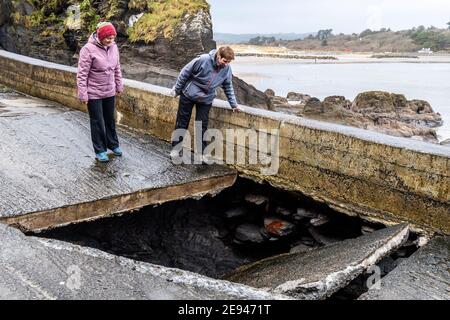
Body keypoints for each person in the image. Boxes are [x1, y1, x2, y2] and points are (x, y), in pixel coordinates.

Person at [170, 46, 241, 161]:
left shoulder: (226, 69)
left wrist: (234, 104)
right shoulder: (203, 60)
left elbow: (228, 86)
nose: (226, 64)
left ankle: (202, 154)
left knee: (201, 126)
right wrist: (177, 90)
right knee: (182, 123)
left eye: (229, 62)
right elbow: (185, 73)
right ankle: (176, 150)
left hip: (206, 99)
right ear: (219, 56)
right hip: (188, 94)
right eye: (225, 61)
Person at [77, 21, 124, 163]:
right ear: (100, 36)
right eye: (108, 38)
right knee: (97, 122)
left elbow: (117, 68)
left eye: (113, 38)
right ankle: (100, 150)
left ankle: (113, 145)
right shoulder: (88, 49)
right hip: (93, 93)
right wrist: (83, 93)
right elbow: (82, 74)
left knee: (110, 119)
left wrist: (119, 84)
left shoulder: (113, 47)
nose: (111, 41)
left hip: (109, 90)